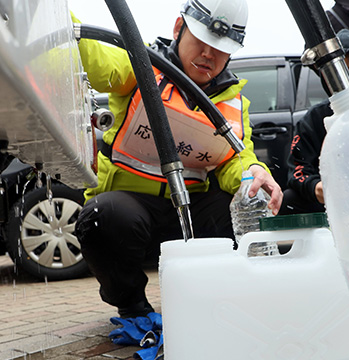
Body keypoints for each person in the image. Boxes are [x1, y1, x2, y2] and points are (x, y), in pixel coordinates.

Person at [72, 0, 282, 318]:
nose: (209, 55)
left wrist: (254, 172)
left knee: (248, 206)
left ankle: (216, 301)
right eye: (201, 40)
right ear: (177, 28)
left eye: (220, 47)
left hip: (189, 209)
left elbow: (236, 158)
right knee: (103, 217)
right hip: (130, 208)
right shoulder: (142, 65)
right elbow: (100, 62)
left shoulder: (234, 104)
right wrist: (55, 12)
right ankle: (132, 306)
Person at [279, 29, 349, 215]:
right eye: (336, 73)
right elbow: (298, 168)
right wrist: (316, 187)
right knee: (289, 199)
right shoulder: (315, 118)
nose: (345, 80)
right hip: (336, 201)